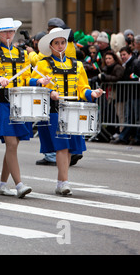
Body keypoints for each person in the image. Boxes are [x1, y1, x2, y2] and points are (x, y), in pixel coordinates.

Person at [31, 27, 104, 195]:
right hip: (54, 110)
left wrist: (92, 93)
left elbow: (82, 88)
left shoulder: (77, 64)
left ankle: (61, 181)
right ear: (50, 45)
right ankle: (64, 182)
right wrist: (50, 92)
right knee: (62, 147)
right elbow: (34, 82)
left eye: (62, 42)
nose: (60, 46)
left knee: (69, 148)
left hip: (73, 110)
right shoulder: (43, 64)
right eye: (56, 43)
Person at [0, 17, 33, 198]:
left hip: (20, 101)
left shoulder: (22, 53)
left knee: (14, 145)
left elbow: (26, 77)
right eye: (5, 32)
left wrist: (39, 81)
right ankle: (19, 184)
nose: (9, 35)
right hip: (2, 100)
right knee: (11, 143)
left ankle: (2, 184)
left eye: (11, 32)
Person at [111, 46, 140, 145]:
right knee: (130, 117)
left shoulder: (135, 63)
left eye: (124, 54)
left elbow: (136, 77)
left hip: (136, 94)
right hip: (129, 94)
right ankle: (125, 137)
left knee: (136, 117)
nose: (123, 57)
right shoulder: (126, 64)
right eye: (121, 55)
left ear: (130, 54)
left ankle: (135, 137)